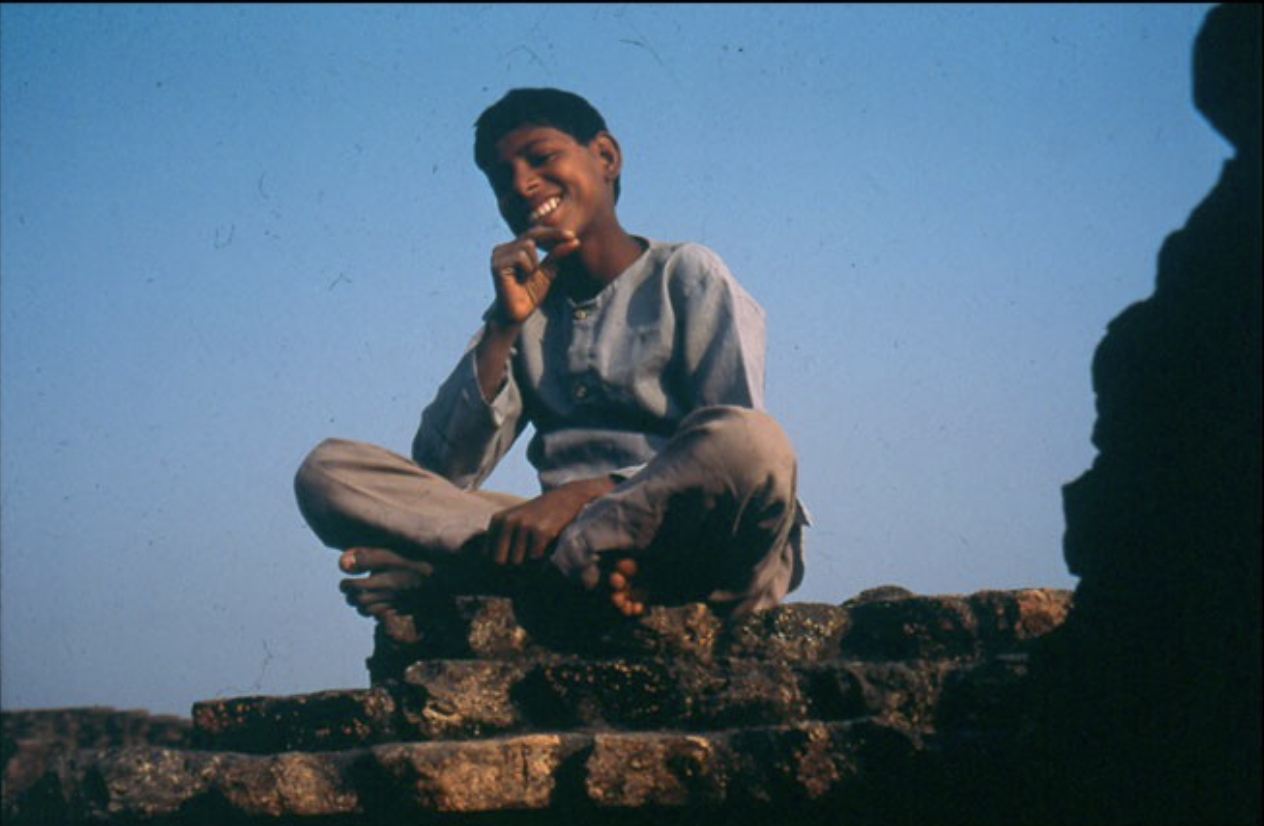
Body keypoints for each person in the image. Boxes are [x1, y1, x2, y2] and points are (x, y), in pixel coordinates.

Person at [294, 87, 808, 626]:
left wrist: (587, 496)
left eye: (540, 158)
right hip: (554, 538)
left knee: (754, 443)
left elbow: (728, 449)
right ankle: (565, 576)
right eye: (501, 179)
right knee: (327, 471)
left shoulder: (687, 273)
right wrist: (503, 324)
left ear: (605, 158)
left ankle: (455, 575)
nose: (521, 184)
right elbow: (441, 473)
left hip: (686, 541)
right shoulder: (525, 311)